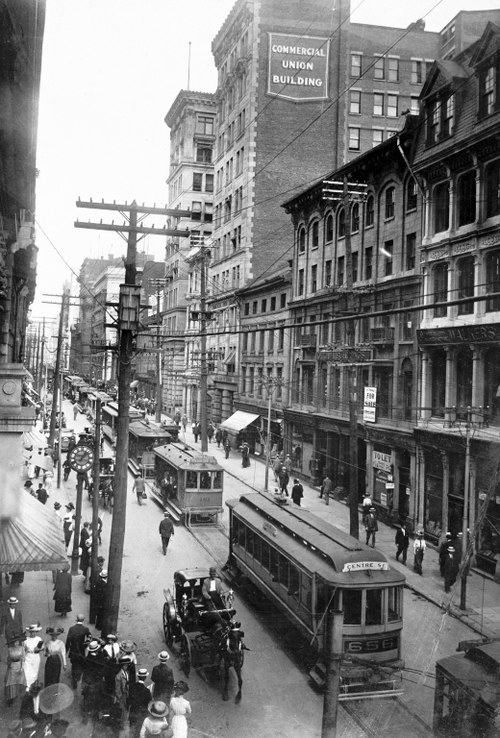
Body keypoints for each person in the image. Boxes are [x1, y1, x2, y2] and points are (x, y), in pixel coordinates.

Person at [65, 613, 90, 689]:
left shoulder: (71, 628)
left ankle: (74, 680)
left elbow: (68, 640)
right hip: (81, 650)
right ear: (83, 620)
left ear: (77, 619)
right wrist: (85, 645)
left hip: (73, 650)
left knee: (74, 665)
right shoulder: (86, 629)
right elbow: (89, 637)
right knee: (80, 663)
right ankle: (78, 677)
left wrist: (66, 650)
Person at [5, 633, 26, 707]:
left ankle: (20, 695)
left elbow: (23, 659)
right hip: (12, 667)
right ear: (12, 643)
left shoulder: (22, 648)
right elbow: (8, 659)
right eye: (14, 642)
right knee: (11, 682)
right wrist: (9, 665)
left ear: (19, 642)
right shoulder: (10, 649)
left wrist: (22, 668)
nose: (16, 643)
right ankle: (11, 698)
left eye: (17, 641)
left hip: (19, 666)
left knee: (20, 681)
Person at [129, 668, 152, 736]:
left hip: (133, 713)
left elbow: (129, 700)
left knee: (132, 732)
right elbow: (149, 702)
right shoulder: (147, 691)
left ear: (138, 677)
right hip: (141, 715)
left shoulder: (132, 687)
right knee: (139, 732)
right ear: (145, 678)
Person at [23, 624, 44, 690]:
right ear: (29, 632)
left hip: (35, 658)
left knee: (34, 673)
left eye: (34, 632)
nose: (32, 633)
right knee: (27, 672)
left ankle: (33, 687)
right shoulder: (26, 639)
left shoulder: (38, 639)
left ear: (36, 632)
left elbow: (43, 647)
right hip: (28, 658)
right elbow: (23, 649)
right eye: (31, 632)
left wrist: (38, 649)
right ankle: (27, 688)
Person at [114, 654, 132, 730]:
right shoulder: (119, 676)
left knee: (126, 710)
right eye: (125, 665)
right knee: (123, 710)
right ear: (122, 666)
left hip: (126, 694)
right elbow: (117, 689)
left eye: (127, 665)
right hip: (122, 696)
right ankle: (121, 725)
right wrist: (120, 698)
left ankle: (124, 722)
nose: (126, 666)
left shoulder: (126, 672)